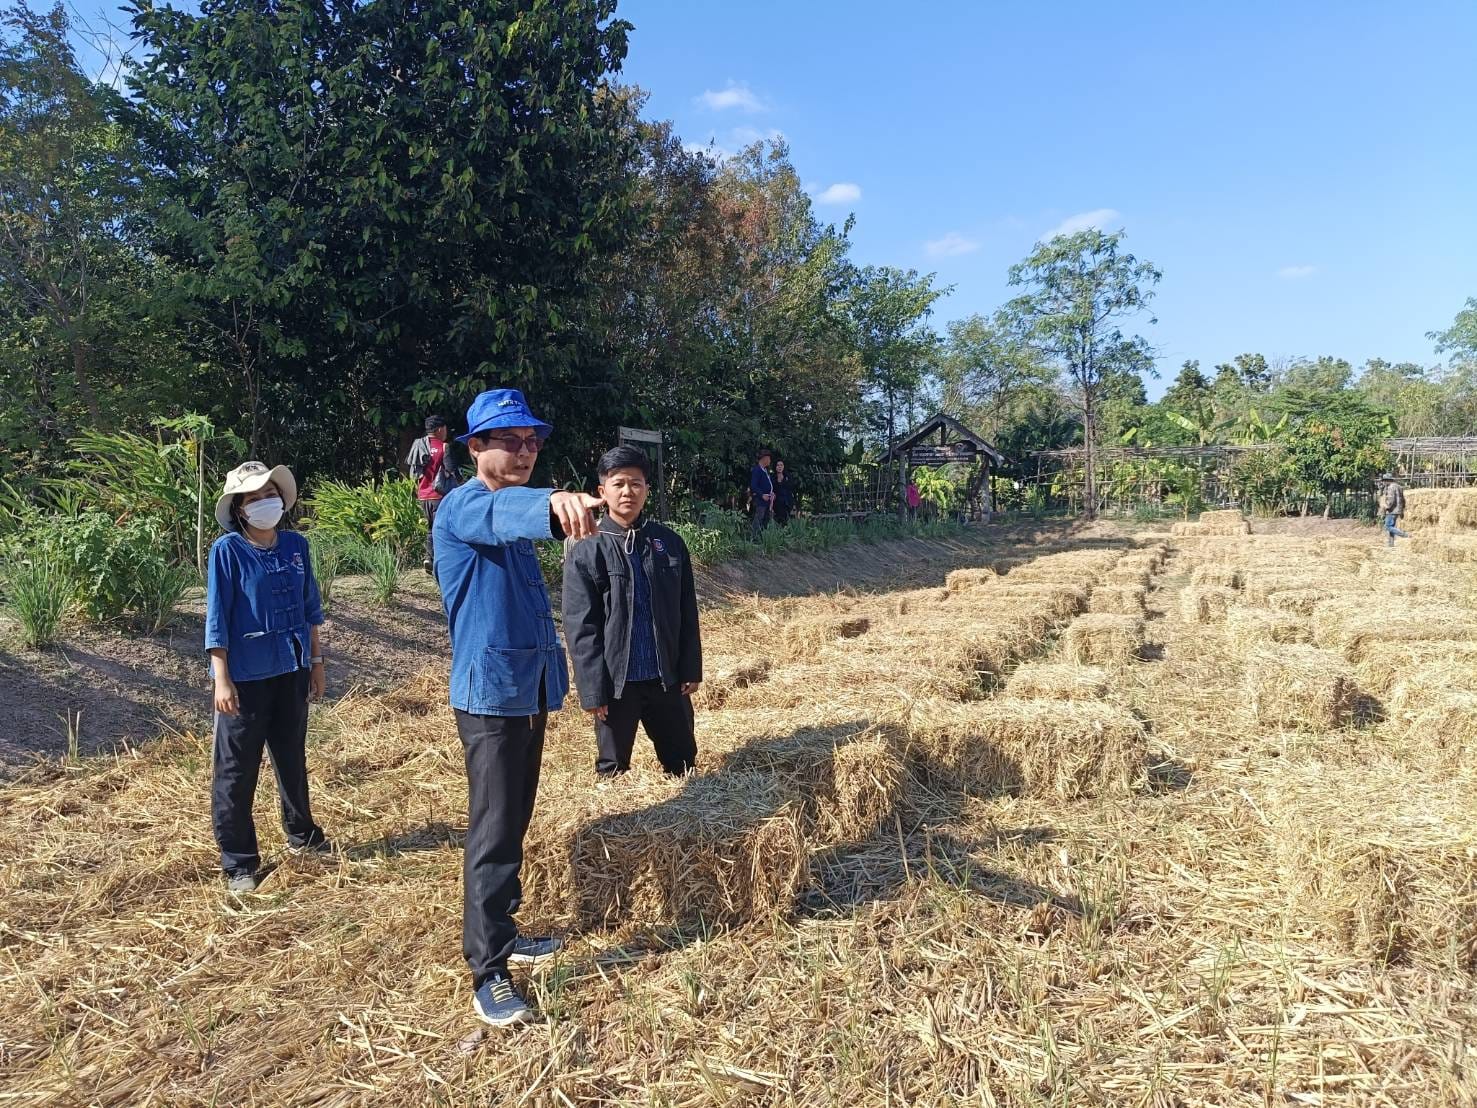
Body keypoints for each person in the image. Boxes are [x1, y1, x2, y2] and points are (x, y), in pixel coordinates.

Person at [432, 387, 603, 1029]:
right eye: (510, 439)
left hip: (525, 689)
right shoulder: (463, 506)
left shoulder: (508, 509)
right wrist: (554, 503)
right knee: (494, 831)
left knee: (514, 823)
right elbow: (503, 514)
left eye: (533, 441)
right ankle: (489, 971)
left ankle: (506, 928)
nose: (526, 450)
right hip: (490, 697)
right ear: (475, 447)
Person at [205, 461, 330, 897]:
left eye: (269, 494)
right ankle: (239, 862)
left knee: (291, 759)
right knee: (236, 771)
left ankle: (303, 835)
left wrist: (316, 662)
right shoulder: (227, 551)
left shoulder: (296, 546)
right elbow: (217, 620)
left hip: (291, 670)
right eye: (253, 498)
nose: (265, 503)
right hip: (246, 678)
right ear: (239, 509)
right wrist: (222, 679)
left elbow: (310, 606)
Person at [563, 445, 702, 780]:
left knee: (683, 763)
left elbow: (686, 611)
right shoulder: (588, 548)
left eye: (636, 483)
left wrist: (690, 668)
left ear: (646, 490)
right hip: (616, 685)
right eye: (619, 484)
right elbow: (581, 626)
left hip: (666, 678)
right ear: (602, 492)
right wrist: (593, 690)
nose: (628, 492)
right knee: (612, 770)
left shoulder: (668, 543)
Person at [407, 415, 460, 576]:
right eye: (445, 429)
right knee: (443, 528)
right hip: (439, 495)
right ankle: (442, 561)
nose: (446, 432)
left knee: (431, 527)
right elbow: (451, 470)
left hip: (423, 495)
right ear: (439, 429)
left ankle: (429, 558)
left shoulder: (418, 445)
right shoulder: (444, 447)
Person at [749, 449, 775, 540]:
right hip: (760, 500)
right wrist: (762, 495)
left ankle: (762, 538)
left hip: (767, 500)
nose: (770, 461)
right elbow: (753, 485)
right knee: (759, 518)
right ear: (764, 458)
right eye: (769, 458)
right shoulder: (757, 470)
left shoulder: (765, 470)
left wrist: (771, 493)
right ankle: (753, 538)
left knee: (765, 519)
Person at [1378, 471, 1409, 546]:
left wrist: (1385, 506)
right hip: (1398, 509)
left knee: (1387, 526)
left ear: (1388, 480)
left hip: (1392, 510)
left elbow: (1391, 500)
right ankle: (1391, 544)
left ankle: (1405, 535)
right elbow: (1403, 499)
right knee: (1391, 526)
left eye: (1384, 481)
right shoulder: (1398, 486)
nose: (1384, 483)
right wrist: (1402, 509)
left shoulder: (1391, 487)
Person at [772, 459, 795, 526]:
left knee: (787, 520)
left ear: (784, 466)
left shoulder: (788, 477)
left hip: (787, 502)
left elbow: (791, 488)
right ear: (775, 467)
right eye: (778, 465)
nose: (779, 467)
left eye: (781, 465)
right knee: (779, 520)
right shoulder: (772, 477)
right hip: (777, 503)